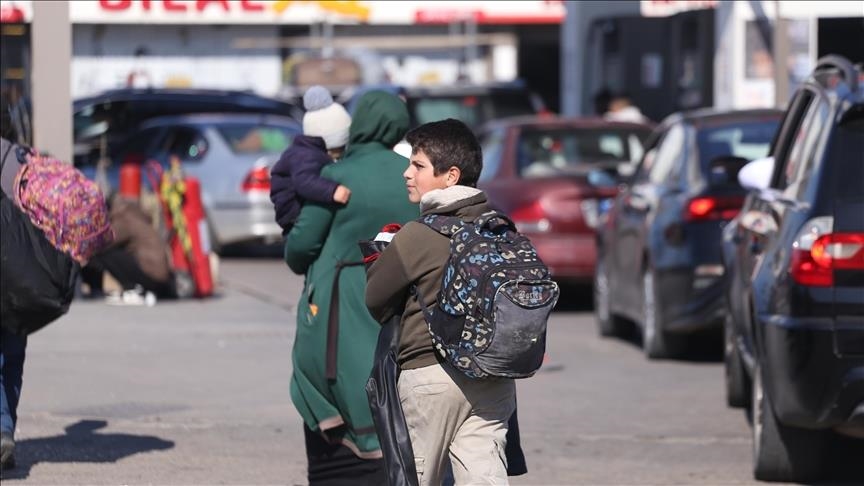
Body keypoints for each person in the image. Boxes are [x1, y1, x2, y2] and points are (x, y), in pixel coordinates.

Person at [365, 119, 517, 485]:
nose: (407, 173)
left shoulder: (419, 234)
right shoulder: (500, 227)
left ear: (450, 176)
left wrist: (381, 256)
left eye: (418, 165)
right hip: (493, 378)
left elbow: (375, 300)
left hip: (430, 378)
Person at [283, 90, 419, 485]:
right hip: (397, 306)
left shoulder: (336, 175)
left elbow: (299, 250)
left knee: (333, 397)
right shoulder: (412, 176)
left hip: (337, 310)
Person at [270, 85, 352, 234]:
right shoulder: (304, 155)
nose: (339, 155)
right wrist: (332, 190)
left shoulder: (311, 152)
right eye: (339, 149)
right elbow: (304, 181)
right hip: (292, 213)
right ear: (329, 142)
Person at [80, 193, 177, 304]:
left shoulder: (123, 219)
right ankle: (131, 287)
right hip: (161, 277)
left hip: (152, 276)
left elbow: (101, 244)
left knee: (104, 253)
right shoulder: (133, 215)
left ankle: (131, 288)